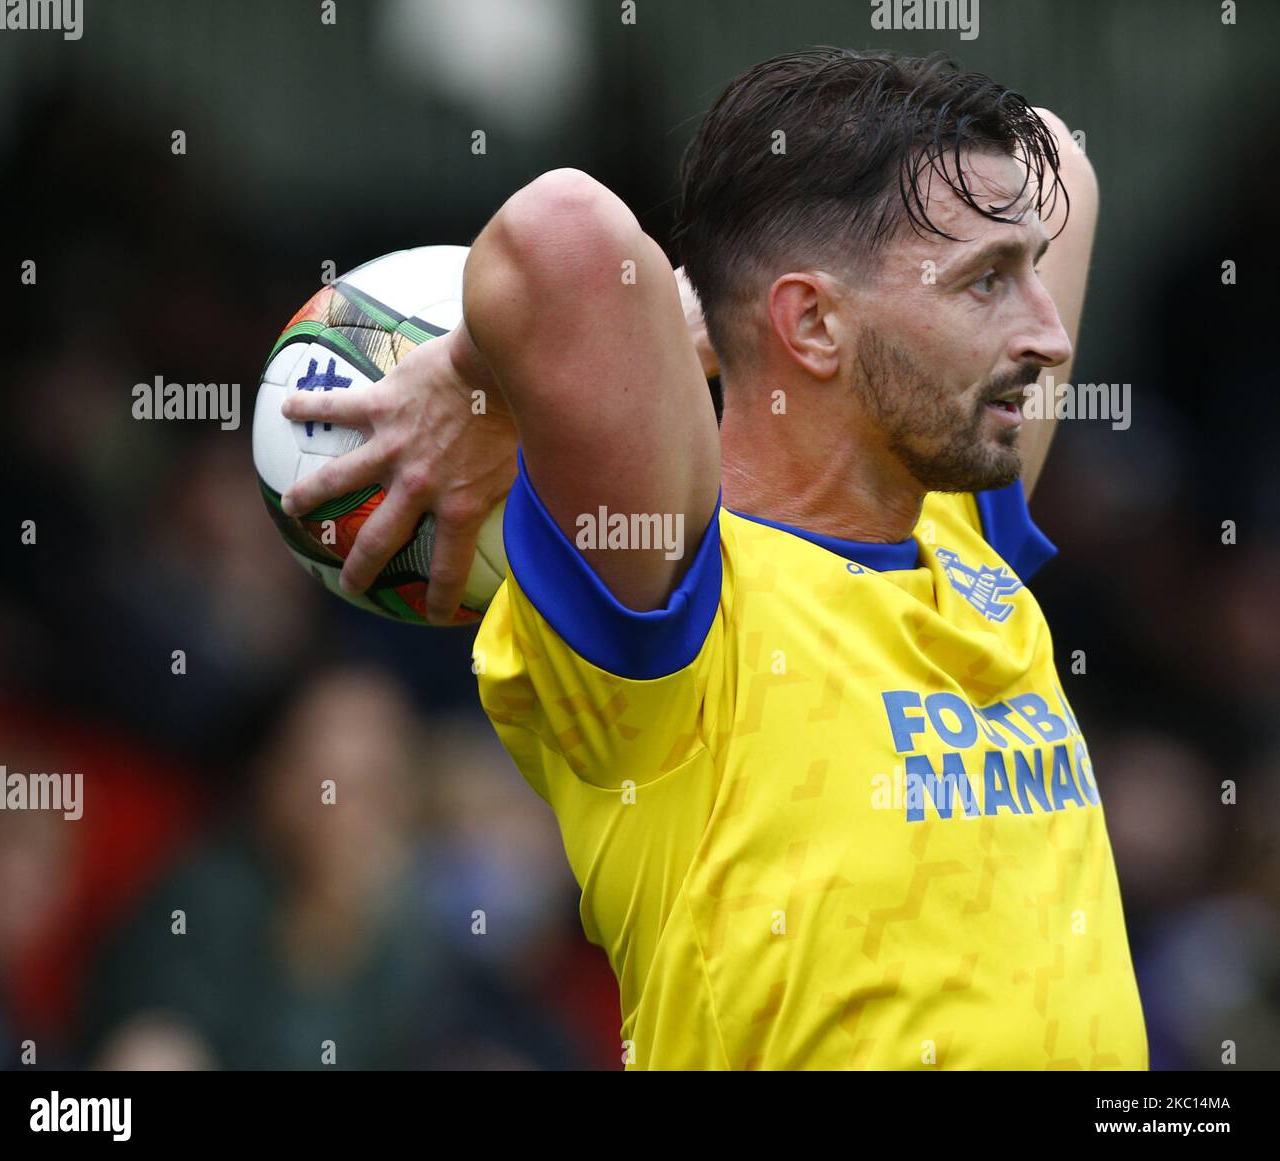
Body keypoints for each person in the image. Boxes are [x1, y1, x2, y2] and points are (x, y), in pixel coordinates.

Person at [279, 48, 1145, 1070]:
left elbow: (1060, 159)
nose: (1047, 335)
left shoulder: (960, 528)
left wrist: (739, 317)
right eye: (987, 283)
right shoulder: (677, 606)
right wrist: (477, 375)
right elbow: (562, 231)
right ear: (813, 321)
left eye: (1029, 272)